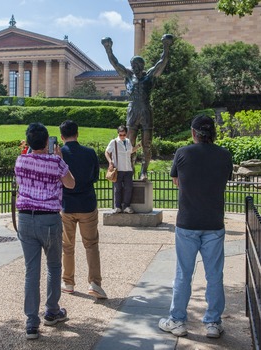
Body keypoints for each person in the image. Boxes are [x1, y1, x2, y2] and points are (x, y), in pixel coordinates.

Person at [158, 115, 233, 339]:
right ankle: (212, 322)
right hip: (214, 222)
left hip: (188, 222)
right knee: (215, 275)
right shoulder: (224, 155)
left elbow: (176, 180)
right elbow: (223, 179)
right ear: (213, 134)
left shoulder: (183, 153)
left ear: (193, 133)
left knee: (183, 274)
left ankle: (178, 320)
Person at [15, 122, 75, 340]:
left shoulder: (21, 160)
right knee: (54, 266)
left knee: (31, 271)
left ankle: (31, 322)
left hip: (25, 218)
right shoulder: (55, 161)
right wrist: (59, 159)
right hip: (48, 218)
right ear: (47, 141)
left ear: (29, 142)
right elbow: (70, 184)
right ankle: (52, 310)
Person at [101, 34, 173, 180]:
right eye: (133, 65)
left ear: (142, 66)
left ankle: (144, 171)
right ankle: (131, 170)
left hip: (146, 110)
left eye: (138, 65)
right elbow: (115, 64)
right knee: (130, 144)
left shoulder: (150, 76)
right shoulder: (128, 76)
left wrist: (166, 46)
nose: (135, 67)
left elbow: (162, 62)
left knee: (146, 144)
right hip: (132, 110)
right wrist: (108, 48)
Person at [58, 120, 107, 299]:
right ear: (77, 134)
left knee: (67, 246)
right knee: (91, 245)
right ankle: (94, 283)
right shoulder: (89, 152)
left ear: (61, 137)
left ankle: (68, 282)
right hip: (87, 203)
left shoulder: (60, 154)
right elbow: (95, 177)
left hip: (66, 205)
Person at [105, 125, 140, 214]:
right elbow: (107, 152)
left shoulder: (128, 141)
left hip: (128, 169)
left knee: (128, 188)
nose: (122, 137)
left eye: (124, 135)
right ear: (118, 134)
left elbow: (131, 151)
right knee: (118, 189)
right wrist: (110, 162)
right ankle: (118, 207)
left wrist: (139, 145)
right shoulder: (114, 142)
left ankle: (126, 206)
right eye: (120, 135)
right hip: (118, 169)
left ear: (126, 134)